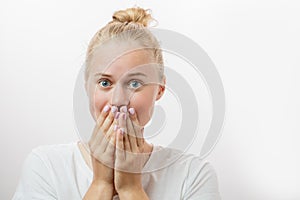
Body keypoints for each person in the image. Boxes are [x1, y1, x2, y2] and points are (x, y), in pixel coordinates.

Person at [13, 7, 221, 200]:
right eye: (105, 83)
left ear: (160, 89)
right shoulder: (46, 166)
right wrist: (100, 184)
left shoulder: (193, 175)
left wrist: (131, 189)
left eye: (134, 83)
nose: (118, 101)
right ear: (87, 86)